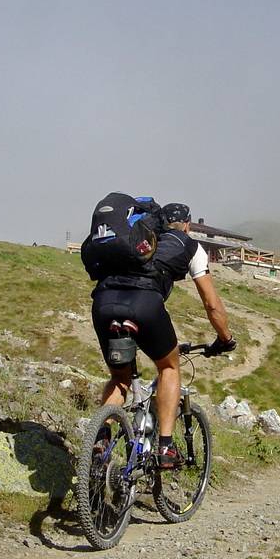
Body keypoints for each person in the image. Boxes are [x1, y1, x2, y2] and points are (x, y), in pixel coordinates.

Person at [89, 201, 235, 468]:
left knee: (119, 378)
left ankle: (99, 440)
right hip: (144, 305)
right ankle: (165, 447)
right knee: (169, 368)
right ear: (188, 225)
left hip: (103, 302)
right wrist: (225, 338)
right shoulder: (190, 246)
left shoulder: (138, 239)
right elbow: (211, 303)